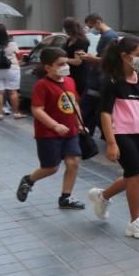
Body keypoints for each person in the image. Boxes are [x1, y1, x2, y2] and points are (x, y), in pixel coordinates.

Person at [87, 36, 139, 238]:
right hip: (120, 134)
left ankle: (102, 197)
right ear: (124, 56)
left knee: (132, 175)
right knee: (136, 175)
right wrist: (111, 143)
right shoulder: (112, 82)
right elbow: (105, 113)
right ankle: (135, 222)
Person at [16, 47, 85, 209]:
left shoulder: (70, 81)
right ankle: (29, 180)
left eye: (66, 63)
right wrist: (55, 125)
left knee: (73, 161)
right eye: (60, 64)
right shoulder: (42, 85)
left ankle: (66, 197)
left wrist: (80, 122)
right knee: (51, 168)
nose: (65, 67)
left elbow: (74, 103)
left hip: (70, 131)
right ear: (48, 67)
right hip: (48, 133)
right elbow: (37, 110)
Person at [80, 13, 118, 137]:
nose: (92, 29)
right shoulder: (105, 35)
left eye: (92, 26)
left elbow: (108, 59)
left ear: (98, 22)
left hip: (98, 79)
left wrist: (90, 58)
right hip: (97, 75)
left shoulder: (110, 36)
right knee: (92, 109)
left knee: (90, 108)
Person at [0, 23, 25, 120]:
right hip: (12, 69)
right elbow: (18, 54)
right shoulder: (12, 44)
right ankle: (16, 113)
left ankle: (0, 114)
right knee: (13, 92)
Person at [61, 17, 91, 88]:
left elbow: (78, 61)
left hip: (78, 75)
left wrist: (64, 59)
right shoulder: (69, 40)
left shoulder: (81, 42)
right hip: (69, 72)